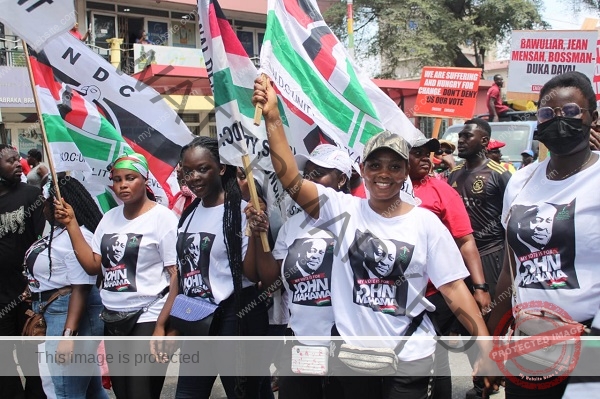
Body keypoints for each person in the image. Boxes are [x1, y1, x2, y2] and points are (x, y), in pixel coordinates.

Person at [252, 76, 497, 399]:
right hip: (354, 361)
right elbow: (291, 179)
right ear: (363, 170)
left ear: (404, 173)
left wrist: (484, 345)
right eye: (376, 165)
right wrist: (272, 117)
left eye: (395, 167)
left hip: (410, 356)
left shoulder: (424, 223)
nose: (385, 174)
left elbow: (453, 289)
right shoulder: (343, 212)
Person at [487, 71, 600, 398]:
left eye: (570, 112)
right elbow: (511, 271)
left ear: (591, 117)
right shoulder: (520, 182)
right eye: (547, 114)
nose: (558, 120)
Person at [55, 153, 179, 399]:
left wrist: (163, 326)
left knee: (140, 392)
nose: (122, 184)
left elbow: (176, 276)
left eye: (130, 178)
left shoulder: (162, 218)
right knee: (123, 393)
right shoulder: (109, 218)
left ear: (144, 180)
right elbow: (93, 266)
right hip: (112, 319)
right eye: (117, 179)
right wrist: (71, 225)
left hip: (148, 316)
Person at [165, 136, 268, 399]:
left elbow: (252, 275)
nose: (194, 177)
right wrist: (170, 324)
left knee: (243, 393)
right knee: (188, 393)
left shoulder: (241, 211)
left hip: (236, 317)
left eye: (202, 169)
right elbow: (185, 273)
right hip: (198, 318)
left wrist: (256, 234)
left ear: (221, 168)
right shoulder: (188, 215)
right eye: (188, 171)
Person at [408, 137, 492, 399]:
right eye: (418, 153)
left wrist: (479, 287)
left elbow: (466, 240)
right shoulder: (375, 191)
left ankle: (478, 388)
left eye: (429, 154)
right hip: (394, 298)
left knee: (439, 358)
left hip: (438, 294)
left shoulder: (442, 191)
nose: (427, 158)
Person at [25, 175, 107, 399]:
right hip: (55, 311)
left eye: (46, 203)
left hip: (68, 313)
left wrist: (68, 335)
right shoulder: (59, 232)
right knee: (91, 390)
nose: (43, 209)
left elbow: (82, 287)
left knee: (64, 390)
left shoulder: (79, 237)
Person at [446, 118, 511, 399]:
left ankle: (492, 379)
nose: (460, 140)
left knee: (492, 321)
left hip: (492, 255)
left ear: (484, 141)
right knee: (468, 322)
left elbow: (512, 221)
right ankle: (479, 379)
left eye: (466, 136)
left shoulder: (501, 174)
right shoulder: (453, 174)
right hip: (462, 259)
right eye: (460, 136)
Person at [0, 144, 46, 399]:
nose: (18, 164)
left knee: (32, 357)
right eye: (10, 161)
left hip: (27, 293)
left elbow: (43, 239)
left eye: (18, 159)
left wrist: (35, 280)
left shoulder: (30, 195)